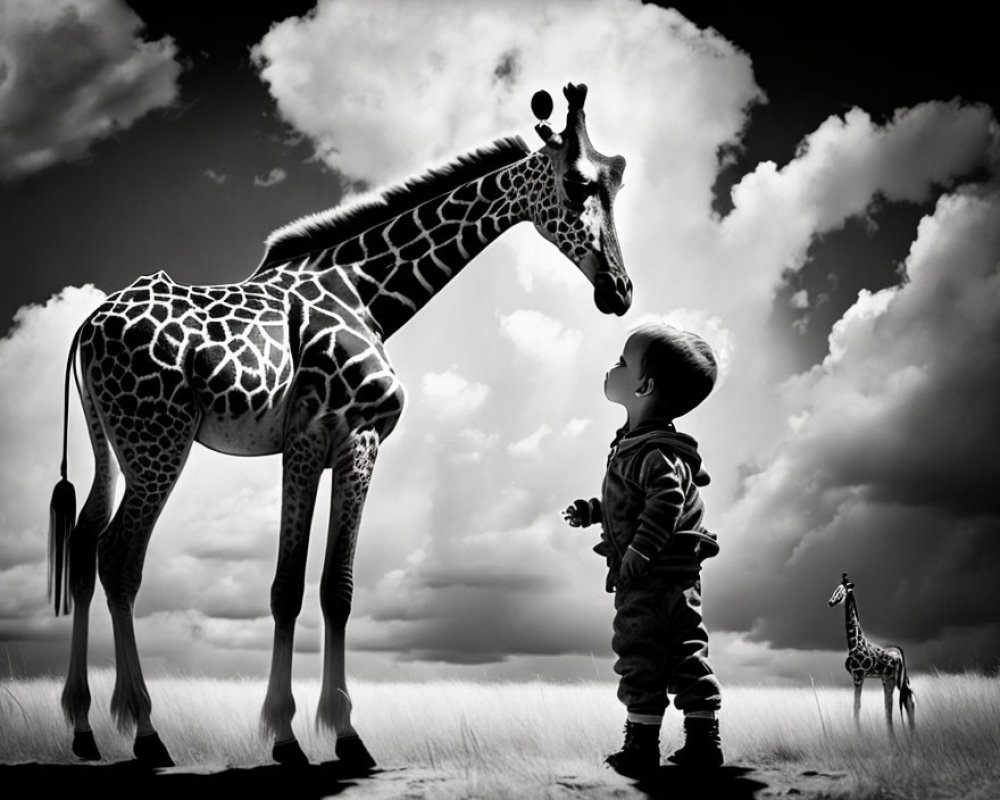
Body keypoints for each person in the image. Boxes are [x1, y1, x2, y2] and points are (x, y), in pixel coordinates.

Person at [563, 323, 723, 777]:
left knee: (642, 651)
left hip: (652, 576)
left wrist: (639, 553)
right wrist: (593, 511)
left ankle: (649, 746)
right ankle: (695, 742)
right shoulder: (637, 448)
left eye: (622, 363)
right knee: (679, 651)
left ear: (644, 386)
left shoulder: (654, 453)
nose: (611, 369)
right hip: (671, 574)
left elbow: (667, 501)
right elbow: (630, 504)